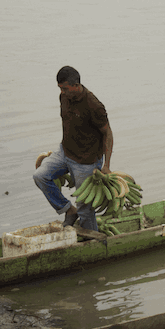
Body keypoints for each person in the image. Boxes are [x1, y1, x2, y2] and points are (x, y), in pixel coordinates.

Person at [33, 66, 114, 231]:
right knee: (40, 176)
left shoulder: (94, 105)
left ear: (76, 85)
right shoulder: (64, 97)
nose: (62, 92)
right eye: (60, 88)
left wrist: (106, 165)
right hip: (65, 152)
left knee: (85, 209)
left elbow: (108, 134)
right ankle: (69, 210)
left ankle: (91, 239)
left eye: (65, 88)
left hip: (86, 162)